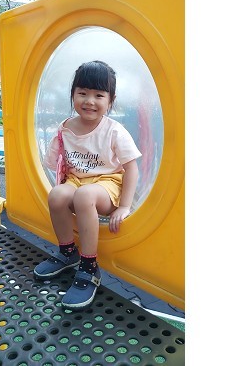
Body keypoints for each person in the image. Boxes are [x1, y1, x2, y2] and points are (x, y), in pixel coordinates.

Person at [34, 60, 142, 310]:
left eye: (98, 95)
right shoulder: (65, 129)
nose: (89, 101)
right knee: (57, 195)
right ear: (73, 94)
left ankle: (89, 266)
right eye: (82, 93)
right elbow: (55, 163)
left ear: (111, 100)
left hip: (108, 183)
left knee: (84, 196)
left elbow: (131, 168)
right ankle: (67, 252)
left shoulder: (114, 131)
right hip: (77, 181)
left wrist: (124, 206)